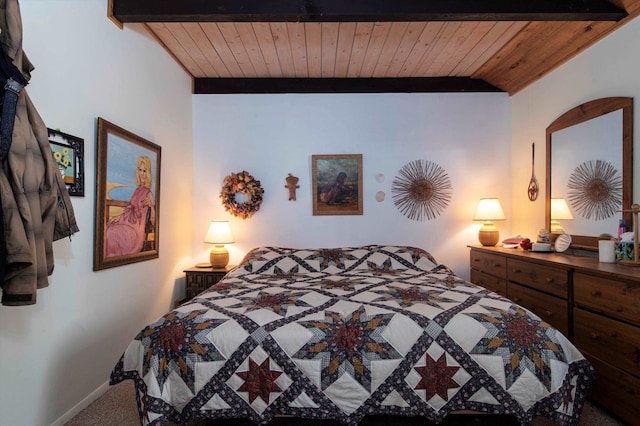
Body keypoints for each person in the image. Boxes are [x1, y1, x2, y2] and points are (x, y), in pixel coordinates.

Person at [105, 156, 155, 257]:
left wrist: (151, 206)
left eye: (144, 171)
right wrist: (118, 217)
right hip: (127, 223)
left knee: (112, 232)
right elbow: (129, 209)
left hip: (136, 230)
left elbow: (153, 221)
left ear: (148, 173)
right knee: (108, 227)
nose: (142, 173)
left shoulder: (148, 193)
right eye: (140, 170)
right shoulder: (137, 191)